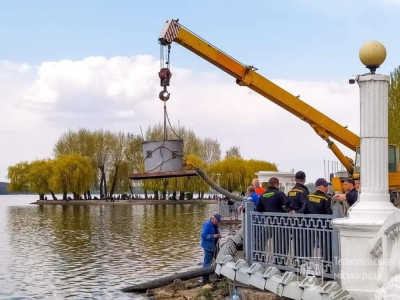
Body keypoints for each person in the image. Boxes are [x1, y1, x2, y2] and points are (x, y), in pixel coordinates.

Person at [200, 214, 222, 284]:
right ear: (214, 219)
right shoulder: (208, 224)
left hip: (215, 246)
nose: (218, 222)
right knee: (207, 262)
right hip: (208, 247)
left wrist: (219, 235)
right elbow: (203, 235)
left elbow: (216, 232)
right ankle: (205, 279)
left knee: (218, 258)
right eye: (217, 221)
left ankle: (217, 273)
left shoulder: (215, 225)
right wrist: (213, 236)